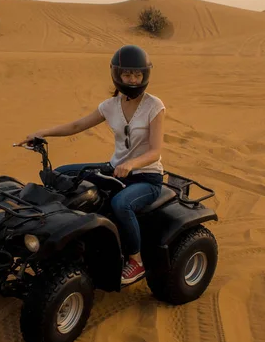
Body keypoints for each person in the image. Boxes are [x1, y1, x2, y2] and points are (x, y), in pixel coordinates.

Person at [16, 44, 166, 285]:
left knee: (121, 204)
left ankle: (135, 261)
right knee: (62, 174)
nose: (133, 79)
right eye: (127, 74)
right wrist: (42, 133)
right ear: (117, 75)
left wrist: (132, 164)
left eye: (137, 74)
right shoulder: (110, 106)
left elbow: (156, 151)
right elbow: (77, 126)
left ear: (145, 75)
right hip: (115, 170)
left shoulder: (154, 106)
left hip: (146, 177)